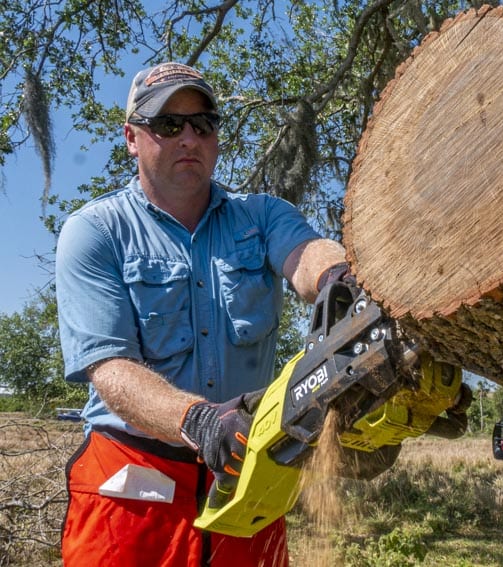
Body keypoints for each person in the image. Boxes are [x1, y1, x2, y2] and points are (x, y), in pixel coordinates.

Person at [56, 62, 349, 566]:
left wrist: (341, 282)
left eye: (203, 123)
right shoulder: (96, 231)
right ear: (132, 137)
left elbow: (306, 254)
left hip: (245, 477)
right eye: (168, 124)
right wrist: (198, 421)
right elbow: (110, 370)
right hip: (130, 488)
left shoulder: (261, 216)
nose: (188, 137)